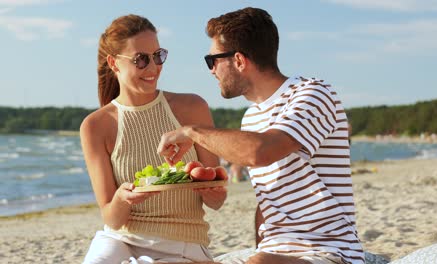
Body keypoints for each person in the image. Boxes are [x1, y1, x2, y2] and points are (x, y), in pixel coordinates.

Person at [157, 7, 364, 264]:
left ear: (240, 61)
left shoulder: (313, 94)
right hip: (275, 252)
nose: (211, 70)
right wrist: (261, 249)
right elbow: (268, 199)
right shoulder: (251, 118)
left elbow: (261, 152)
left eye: (213, 61)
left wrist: (191, 131)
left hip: (329, 251)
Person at [80, 14, 226, 264]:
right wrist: (122, 199)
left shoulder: (192, 107)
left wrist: (214, 192)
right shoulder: (95, 126)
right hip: (120, 241)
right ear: (114, 63)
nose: (153, 67)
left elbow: (217, 199)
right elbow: (112, 218)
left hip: (183, 245)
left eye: (158, 55)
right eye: (141, 59)